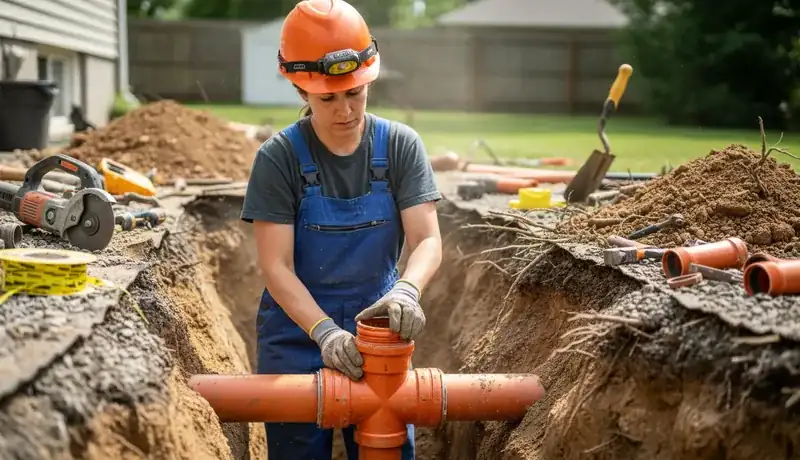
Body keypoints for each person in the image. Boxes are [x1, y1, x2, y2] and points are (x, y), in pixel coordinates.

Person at [240, 0, 443, 458]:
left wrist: (408, 290)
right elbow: (276, 266)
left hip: (378, 330)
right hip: (295, 335)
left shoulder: (400, 146)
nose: (345, 110)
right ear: (301, 90)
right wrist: (325, 332)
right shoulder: (279, 158)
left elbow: (427, 239)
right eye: (327, 98)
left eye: (355, 93)